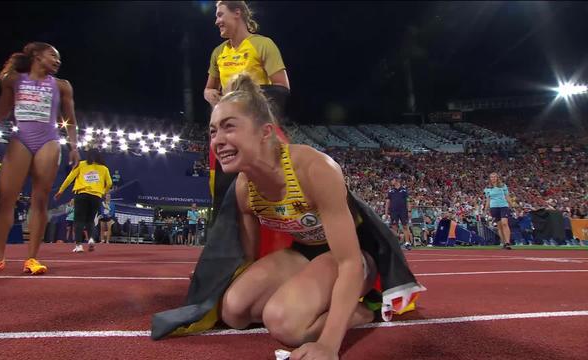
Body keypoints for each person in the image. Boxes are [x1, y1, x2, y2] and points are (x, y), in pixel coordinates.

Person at [152, 74, 425, 359]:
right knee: (234, 312)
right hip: (302, 253)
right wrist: (212, 280)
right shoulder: (244, 189)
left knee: (284, 324)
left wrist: (327, 345)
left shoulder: (313, 169)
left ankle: (365, 310)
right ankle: (304, 301)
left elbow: (349, 262)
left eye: (229, 127)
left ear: (265, 132)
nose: (217, 141)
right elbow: (248, 258)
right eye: (212, 132)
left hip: (354, 258)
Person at [0, 42, 80, 275]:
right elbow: (1, 112)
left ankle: (32, 259)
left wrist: (74, 146)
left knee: (40, 199)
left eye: (59, 58)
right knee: (5, 199)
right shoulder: (13, 81)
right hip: (21, 139)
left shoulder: (63, 86)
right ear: (36, 55)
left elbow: (71, 119)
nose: (58, 61)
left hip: (49, 140)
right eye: (53, 56)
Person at [205, 1, 290, 221]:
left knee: (259, 189)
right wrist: (210, 94)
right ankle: (225, 246)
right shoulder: (218, 53)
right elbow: (209, 88)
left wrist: (243, 96)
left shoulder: (263, 45)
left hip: (257, 132)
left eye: (220, 15)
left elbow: (282, 87)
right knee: (224, 192)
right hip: (228, 131)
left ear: (237, 13)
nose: (217, 21)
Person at [55, 148, 112, 253]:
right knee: (90, 220)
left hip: (81, 195)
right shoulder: (104, 169)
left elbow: (70, 178)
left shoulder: (81, 164)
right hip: (96, 196)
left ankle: (79, 245)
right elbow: (109, 183)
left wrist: (61, 191)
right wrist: (103, 192)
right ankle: (91, 239)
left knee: (79, 220)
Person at [484, 172, 512, 250]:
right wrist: (485, 210)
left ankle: (507, 242)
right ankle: (503, 242)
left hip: (503, 206)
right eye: (491, 177)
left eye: (494, 177)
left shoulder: (503, 186)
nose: (493, 178)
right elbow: (488, 200)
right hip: (494, 207)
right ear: (490, 179)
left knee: (504, 223)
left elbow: (507, 196)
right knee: (499, 226)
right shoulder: (488, 188)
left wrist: (511, 204)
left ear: (497, 178)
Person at [385, 178, 413, 249]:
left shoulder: (404, 190)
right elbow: (387, 202)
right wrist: (386, 213)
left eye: (392, 180)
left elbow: (408, 201)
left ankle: (407, 243)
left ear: (396, 181)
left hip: (403, 211)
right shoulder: (391, 191)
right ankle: (396, 244)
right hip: (394, 211)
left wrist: (409, 211)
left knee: (405, 226)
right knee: (394, 227)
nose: (391, 181)